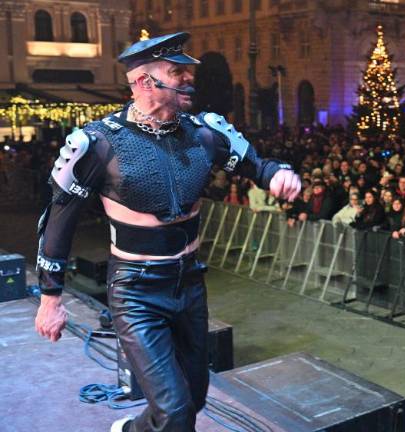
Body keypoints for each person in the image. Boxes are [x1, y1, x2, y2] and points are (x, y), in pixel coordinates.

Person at [33, 33, 301, 432]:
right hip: (136, 291)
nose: (189, 80)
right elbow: (60, 218)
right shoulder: (99, 143)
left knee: (193, 398)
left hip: (189, 282)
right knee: (175, 411)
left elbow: (256, 165)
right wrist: (50, 298)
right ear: (145, 82)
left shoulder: (204, 132)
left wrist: (277, 174)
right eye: (177, 72)